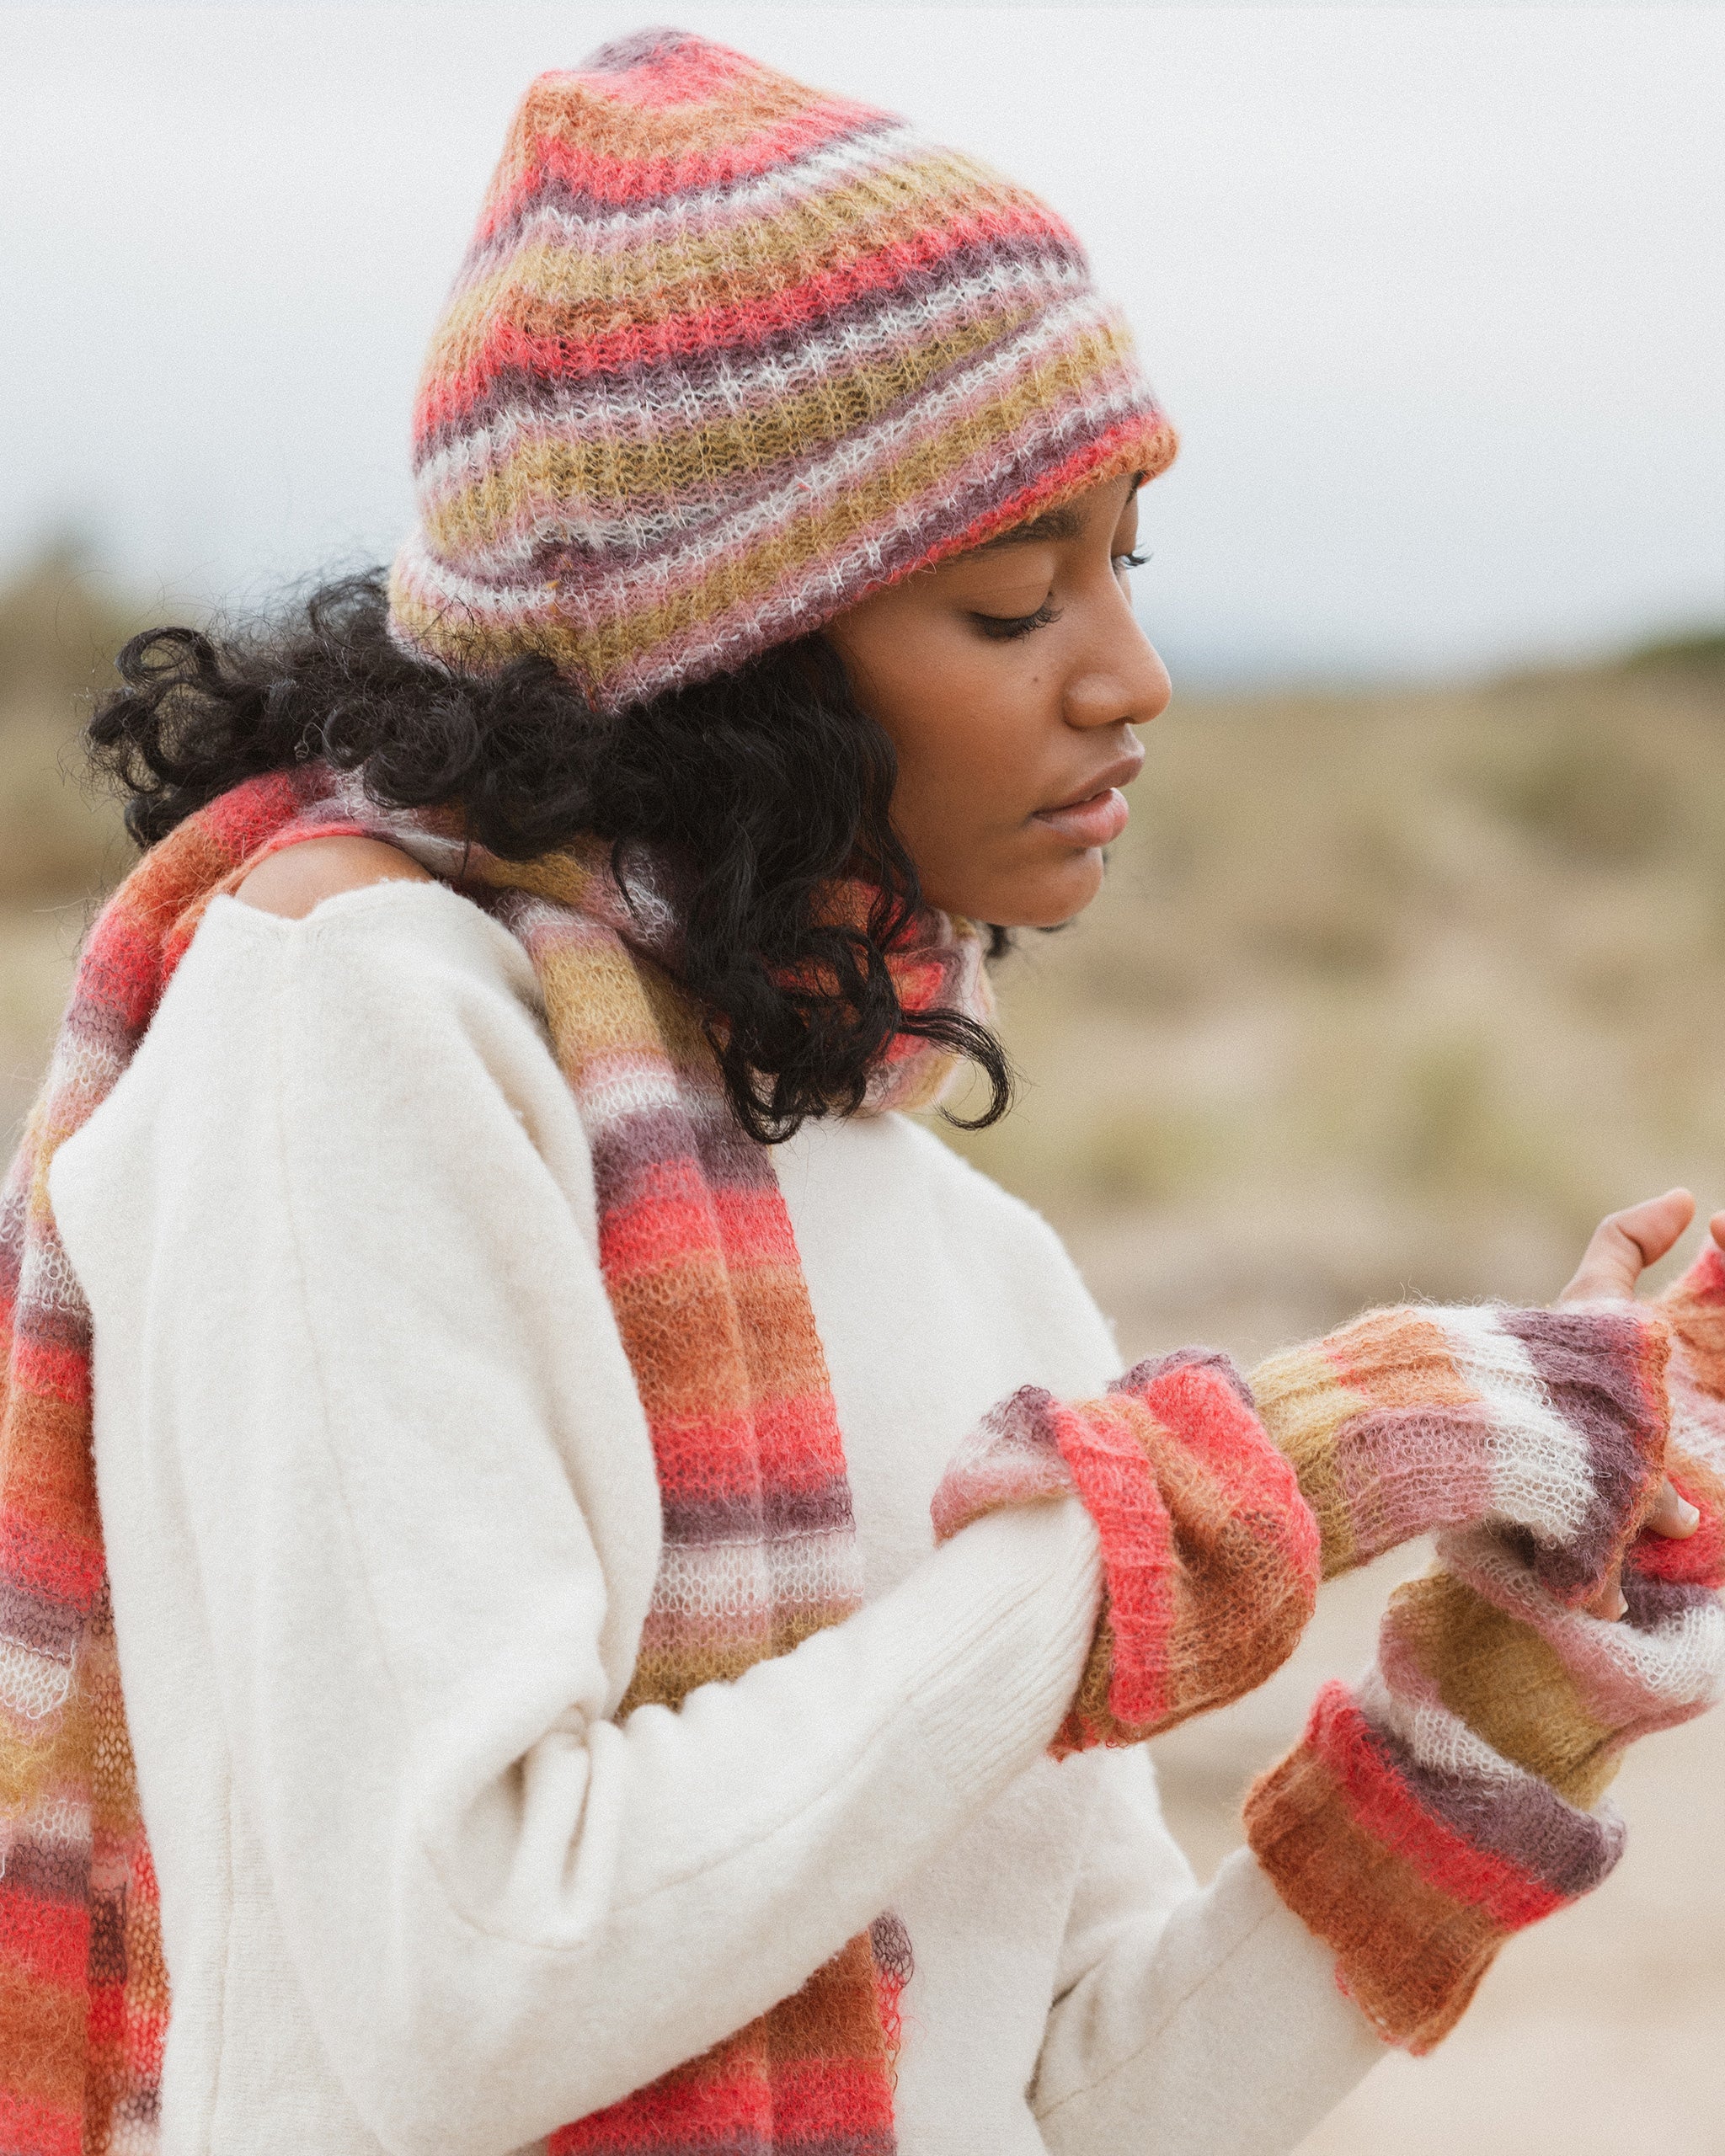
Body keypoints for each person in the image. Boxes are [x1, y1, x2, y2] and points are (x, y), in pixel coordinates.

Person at [2, 29, 1721, 2156]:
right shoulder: (353, 1030)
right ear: (738, 651)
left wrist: (1498, 1699)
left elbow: (1073, 2098)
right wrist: (1215, 1496)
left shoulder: (954, 1234)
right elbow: (473, 1977)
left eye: (1128, 563)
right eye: (1013, 596)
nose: (1129, 675)